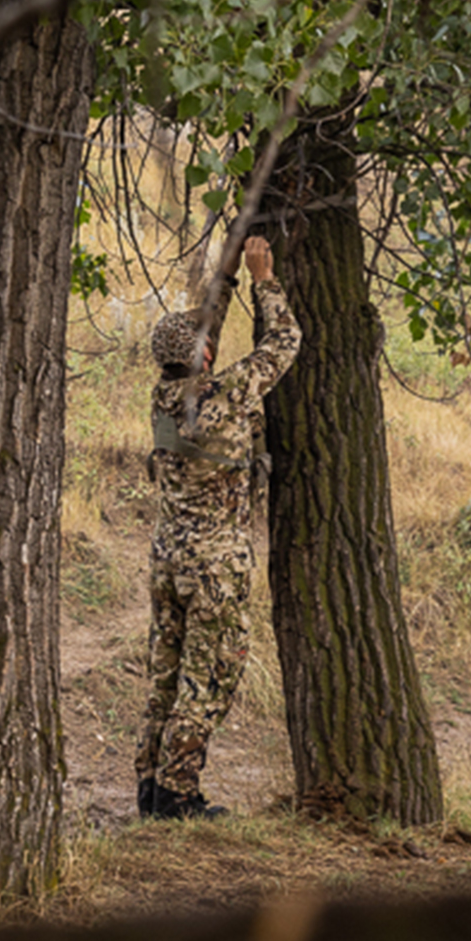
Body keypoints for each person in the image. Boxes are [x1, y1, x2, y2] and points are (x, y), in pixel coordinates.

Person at [135, 235, 300, 821]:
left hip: (168, 557)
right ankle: (179, 795)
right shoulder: (228, 394)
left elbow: (199, 336)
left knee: (166, 673)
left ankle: (151, 788)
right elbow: (285, 341)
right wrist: (264, 280)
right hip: (213, 564)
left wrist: (223, 280)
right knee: (208, 678)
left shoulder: (163, 396)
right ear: (205, 356)